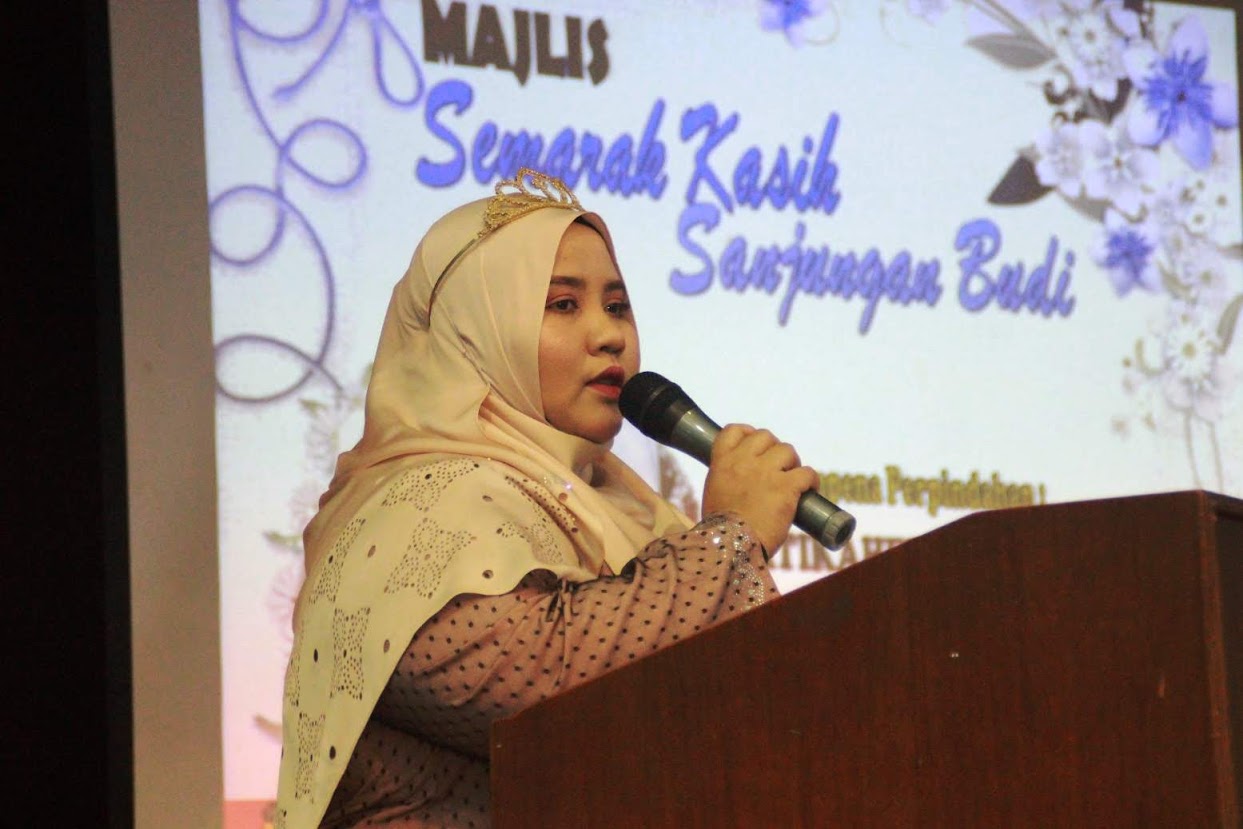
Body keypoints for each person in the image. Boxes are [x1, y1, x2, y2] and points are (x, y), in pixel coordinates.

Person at [274, 169, 819, 828]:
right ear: (472, 331)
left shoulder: (622, 506)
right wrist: (731, 537)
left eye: (616, 306)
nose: (609, 335)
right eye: (562, 304)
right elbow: (543, 680)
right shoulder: (412, 508)